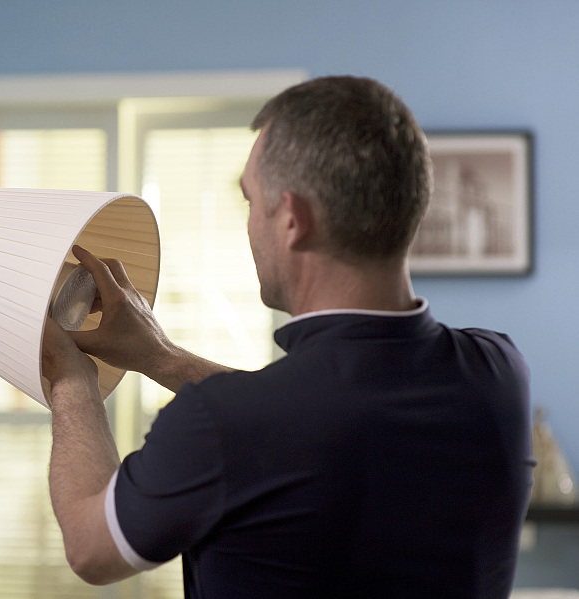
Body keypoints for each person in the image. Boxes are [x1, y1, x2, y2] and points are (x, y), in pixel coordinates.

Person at [42, 76, 534, 598]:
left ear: (293, 221)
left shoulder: (220, 423)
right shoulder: (497, 374)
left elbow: (90, 546)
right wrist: (160, 357)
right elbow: (314, 418)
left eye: (251, 201)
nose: (250, 224)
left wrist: (71, 378)